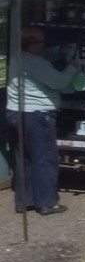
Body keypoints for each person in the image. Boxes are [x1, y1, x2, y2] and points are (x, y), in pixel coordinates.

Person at [5, 25, 78, 215]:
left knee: (23, 159)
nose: (44, 45)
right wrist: (71, 67)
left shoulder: (17, 59)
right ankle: (46, 202)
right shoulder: (37, 64)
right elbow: (59, 81)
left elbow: (44, 57)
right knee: (44, 159)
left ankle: (24, 200)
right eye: (42, 42)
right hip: (37, 116)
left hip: (15, 113)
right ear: (32, 45)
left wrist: (58, 51)